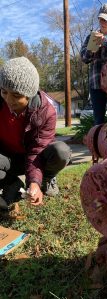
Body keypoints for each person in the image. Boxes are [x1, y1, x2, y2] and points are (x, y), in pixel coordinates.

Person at [0, 56, 71, 210]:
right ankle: (11, 184)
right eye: (4, 92)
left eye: (16, 95)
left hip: (34, 157)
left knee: (61, 152)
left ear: (30, 94)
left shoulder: (46, 112)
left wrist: (34, 182)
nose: (9, 100)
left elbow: (36, 152)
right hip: (7, 158)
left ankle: (44, 181)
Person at [80, 3, 107, 125]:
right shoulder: (90, 37)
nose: (102, 22)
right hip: (96, 84)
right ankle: (98, 143)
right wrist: (91, 48)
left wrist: (105, 41)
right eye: (101, 19)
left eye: (106, 20)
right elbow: (84, 58)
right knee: (98, 121)